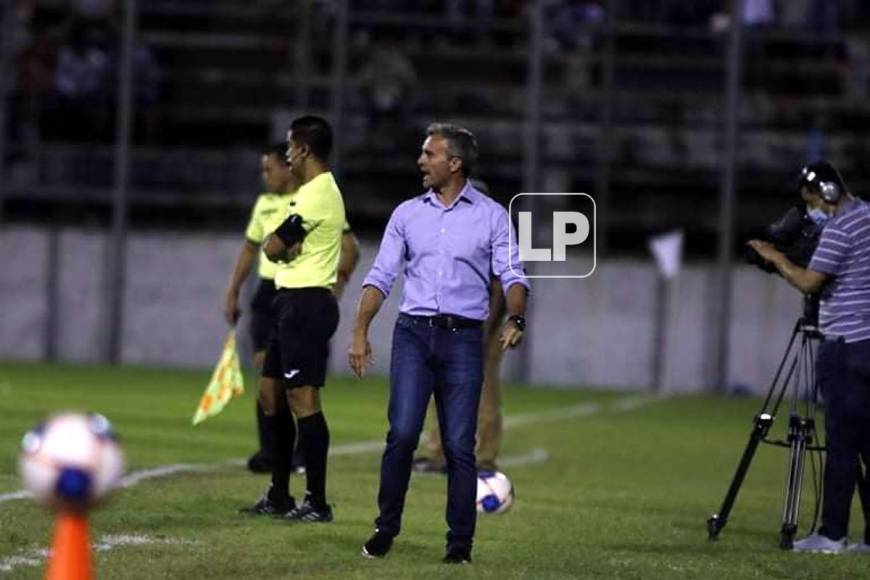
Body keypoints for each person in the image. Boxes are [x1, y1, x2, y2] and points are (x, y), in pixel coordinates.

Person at [349, 123, 530, 563]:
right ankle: (384, 529)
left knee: (458, 445)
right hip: (413, 334)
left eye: (429, 154)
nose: (420, 161)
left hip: (464, 339)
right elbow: (380, 276)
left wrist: (516, 315)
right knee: (403, 435)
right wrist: (359, 330)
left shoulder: (491, 215)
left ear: (455, 163)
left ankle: (459, 546)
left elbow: (514, 274)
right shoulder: (407, 214)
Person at [748, 160, 870, 554]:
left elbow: (808, 281)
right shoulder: (867, 216)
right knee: (867, 443)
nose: (814, 209)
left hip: (845, 346)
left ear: (830, 192)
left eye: (814, 201)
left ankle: (831, 535)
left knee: (841, 444)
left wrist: (775, 257)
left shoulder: (839, 228)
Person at [223, 144, 359, 475]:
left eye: (269, 168)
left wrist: (338, 280)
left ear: (288, 167)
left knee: (298, 387)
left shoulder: (312, 199)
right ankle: (271, 452)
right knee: (267, 381)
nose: (265, 176)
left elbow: (350, 247)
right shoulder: (265, 204)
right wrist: (233, 289)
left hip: (301, 296)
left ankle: (300, 460)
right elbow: (250, 249)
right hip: (270, 295)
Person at [240, 115, 345, 523]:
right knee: (272, 395)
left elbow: (272, 245)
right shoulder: (309, 191)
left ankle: (317, 502)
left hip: (306, 304)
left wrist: (283, 248)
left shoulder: (319, 193)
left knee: (304, 400)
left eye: (289, 147)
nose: (286, 154)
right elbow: (278, 246)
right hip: (287, 301)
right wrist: (284, 249)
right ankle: (279, 494)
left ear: (302, 149)